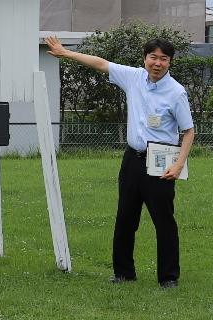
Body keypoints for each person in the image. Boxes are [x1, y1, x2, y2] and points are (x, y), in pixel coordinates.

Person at [45, 34, 194, 287]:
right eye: (153, 57)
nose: (157, 63)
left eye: (163, 59)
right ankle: (124, 273)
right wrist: (66, 53)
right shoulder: (134, 77)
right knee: (125, 217)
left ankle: (169, 277)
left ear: (170, 62)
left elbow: (189, 131)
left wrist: (179, 164)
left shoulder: (176, 92)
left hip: (160, 160)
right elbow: (101, 63)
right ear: (145, 58)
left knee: (164, 220)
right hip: (132, 160)